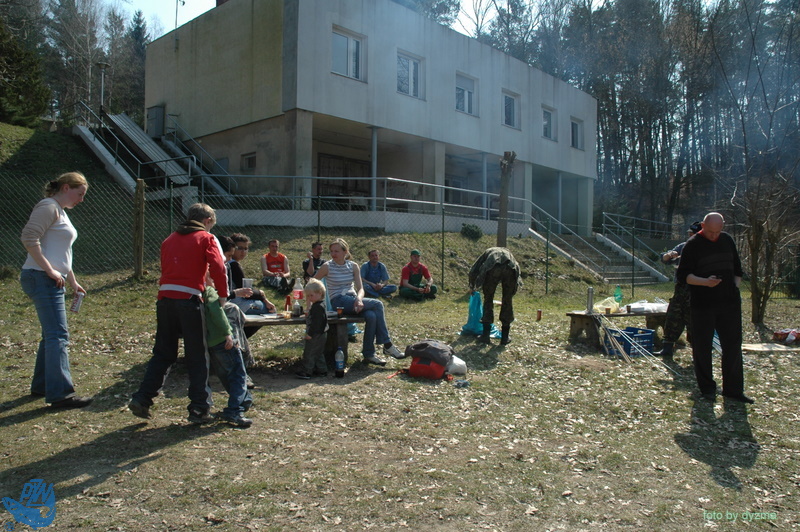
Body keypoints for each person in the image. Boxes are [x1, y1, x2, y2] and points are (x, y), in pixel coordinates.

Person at [129, 203, 229, 424]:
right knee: (197, 355)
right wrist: (222, 295)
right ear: (207, 221)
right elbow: (219, 267)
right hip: (189, 300)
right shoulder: (206, 238)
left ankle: (142, 398)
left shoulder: (169, 239)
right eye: (211, 225)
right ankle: (199, 407)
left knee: (163, 353)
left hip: (165, 299)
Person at [20, 172, 92, 408]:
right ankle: (60, 394)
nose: (81, 200)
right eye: (79, 194)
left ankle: (42, 385)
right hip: (41, 277)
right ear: (65, 188)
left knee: (51, 335)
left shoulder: (60, 211)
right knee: (58, 335)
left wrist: (72, 281)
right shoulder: (48, 206)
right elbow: (29, 238)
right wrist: (50, 270)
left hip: (50, 277)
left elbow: (61, 252)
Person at [676, 212, 753, 404]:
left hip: (729, 303)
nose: (714, 235)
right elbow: (683, 276)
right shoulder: (692, 244)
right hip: (703, 304)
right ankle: (707, 389)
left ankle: (733, 390)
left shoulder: (727, 240)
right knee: (702, 347)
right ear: (703, 226)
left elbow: (738, 270)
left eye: (718, 231)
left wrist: (734, 287)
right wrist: (704, 282)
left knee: (732, 346)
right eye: (710, 232)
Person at [314, 238, 404, 365]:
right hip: (339, 301)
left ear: (345, 252)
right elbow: (312, 282)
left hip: (353, 299)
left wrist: (359, 299)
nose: (333, 254)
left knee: (371, 315)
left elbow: (361, 288)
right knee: (378, 304)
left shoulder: (353, 266)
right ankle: (387, 344)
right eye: (331, 251)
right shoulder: (327, 266)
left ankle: (369, 354)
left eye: (336, 251)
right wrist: (315, 298)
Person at [202, 285, 253, 427]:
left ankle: (245, 400)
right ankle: (235, 410)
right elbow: (217, 311)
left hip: (210, 342)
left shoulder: (194, 293)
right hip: (222, 339)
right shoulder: (209, 291)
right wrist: (227, 333)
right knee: (238, 375)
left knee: (226, 374)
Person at [654, 221, 701, 359]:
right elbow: (664, 258)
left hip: (697, 289)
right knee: (673, 316)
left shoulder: (705, 249)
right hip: (681, 288)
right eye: (689, 234)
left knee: (694, 322)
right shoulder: (683, 246)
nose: (691, 236)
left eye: (693, 234)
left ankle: (698, 352)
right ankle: (667, 348)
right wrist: (670, 254)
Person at [468, 247, 522, 346]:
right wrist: (512, 290)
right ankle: (505, 338)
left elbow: (474, 269)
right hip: (510, 268)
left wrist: (472, 286)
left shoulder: (488, 252)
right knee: (507, 301)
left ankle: (485, 336)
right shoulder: (508, 253)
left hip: (492, 267)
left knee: (488, 300)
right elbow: (517, 269)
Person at [227, 233, 276, 315]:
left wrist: (262, 296)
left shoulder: (230, 263)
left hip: (234, 302)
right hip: (236, 304)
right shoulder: (233, 265)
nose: (243, 252)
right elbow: (245, 292)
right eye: (240, 248)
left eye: (246, 248)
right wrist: (261, 294)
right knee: (270, 310)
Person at [296, 279, 329, 379]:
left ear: (320, 293)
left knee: (309, 353)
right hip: (322, 333)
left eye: (311, 295)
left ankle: (307, 371)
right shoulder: (320, 304)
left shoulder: (318, 307)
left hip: (316, 334)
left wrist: (310, 334)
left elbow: (316, 323)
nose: (309, 298)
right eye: (308, 296)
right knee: (318, 353)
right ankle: (322, 370)